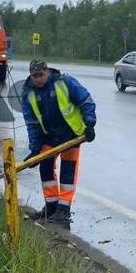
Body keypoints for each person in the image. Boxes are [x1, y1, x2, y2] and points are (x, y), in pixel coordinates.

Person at [19, 59, 96, 225]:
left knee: (67, 172)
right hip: (49, 138)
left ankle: (64, 209)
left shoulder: (65, 82)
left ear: (47, 72)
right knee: (46, 170)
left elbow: (86, 101)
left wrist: (89, 124)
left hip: (71, 135)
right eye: (34, 76)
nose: (38, 79)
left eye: (41, 75)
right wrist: (35, 149)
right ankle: (51, 206)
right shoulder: (28, 94)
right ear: (31, 76)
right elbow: (32, 124)